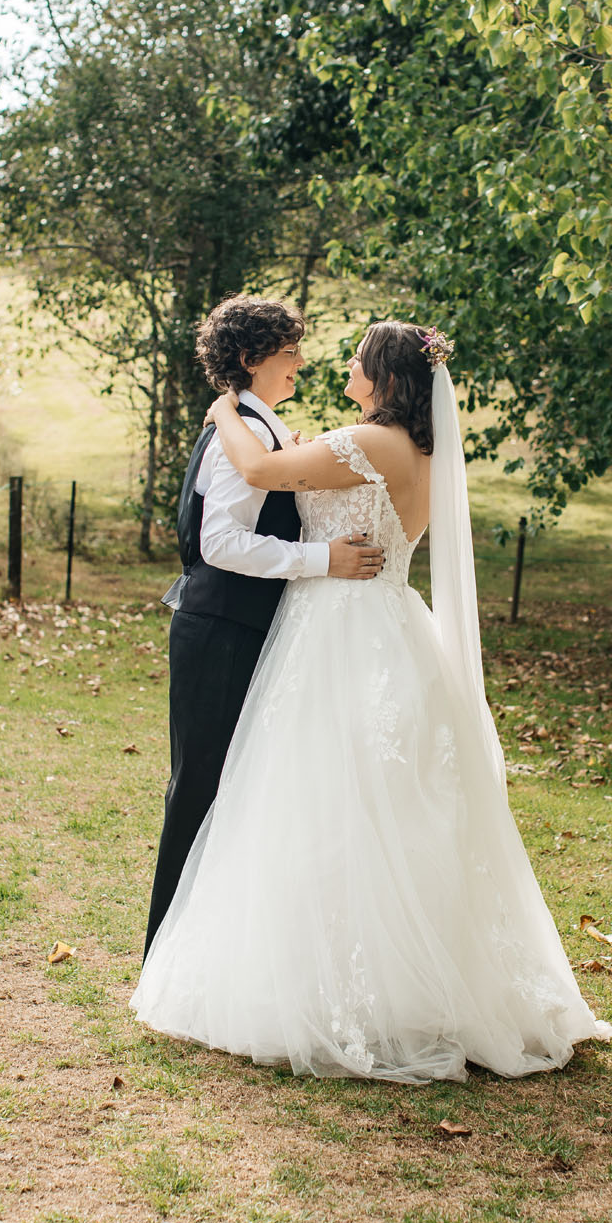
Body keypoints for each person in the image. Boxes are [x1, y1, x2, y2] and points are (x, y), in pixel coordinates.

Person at [132, 321, 612, 1081]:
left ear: (385, 377)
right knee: (371, 805)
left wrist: (226, 411)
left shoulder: (376, 441)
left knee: (333, 802)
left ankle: (344, 991)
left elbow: (260, 472)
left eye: (358, 358)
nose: (343, 364)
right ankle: (384, 979)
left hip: (341, 627)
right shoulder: (414, 451)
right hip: (380, 622)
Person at [143, 296, 384, 957]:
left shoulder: (254, 424)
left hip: (239, 628)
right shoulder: (240, 429)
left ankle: (205, 951)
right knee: (198, 788)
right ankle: (165, 954)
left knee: (231, 788)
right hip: (219, 629)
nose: (300, 362)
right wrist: (322, 560)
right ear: (251, 359)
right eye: (289, 352)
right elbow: (220, 541)